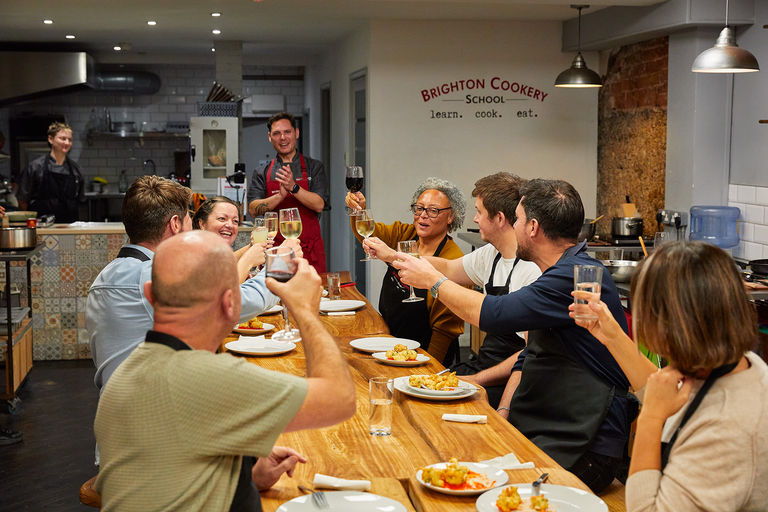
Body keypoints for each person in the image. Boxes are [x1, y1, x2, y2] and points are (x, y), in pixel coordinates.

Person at [394, 179, 634, 493]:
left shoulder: (573, 276)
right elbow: (534, 352)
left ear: (532, 227)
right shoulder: (563, 269)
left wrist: (435, 283)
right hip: (555, 427)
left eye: (517, 219)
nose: (513, 226)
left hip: (584, 444)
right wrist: (504, 409)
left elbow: (494, 314)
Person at [94, 230, 356, 511]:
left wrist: (242, 471)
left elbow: (162, 472)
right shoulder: (208, 379)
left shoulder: (125, 375)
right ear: (230, 302)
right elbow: (339, 398)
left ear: (150, 295)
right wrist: (304, 309)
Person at [570, 241, 768, 511]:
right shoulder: (737, 364)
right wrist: (611, 335)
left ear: (670, 326)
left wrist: (651, 418)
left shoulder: (725, 433)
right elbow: (667, 391)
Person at [87, 176, 278, 400]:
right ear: (175, 224)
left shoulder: (107, 275)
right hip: (155, 417)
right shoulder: (155, 274)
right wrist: (280, 265)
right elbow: (239, 302)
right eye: (189, 218)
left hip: (117, 411)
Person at [409, 172, 540, 407]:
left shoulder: (531, 271)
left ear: (499, 218)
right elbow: (448, 268)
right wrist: (394, 257)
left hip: (505, 382)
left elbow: (529, 356)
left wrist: (475, 380)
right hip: (482, 365)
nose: (476, 219)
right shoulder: (492, 254)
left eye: (479, 212)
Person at [345, 177, 466, 365]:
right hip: (391, 343)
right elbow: (369, 235)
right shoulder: (405, 235)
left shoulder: (452, 258)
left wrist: (429, 367)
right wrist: (358, 210)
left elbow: (446, 328)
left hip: (423, 354)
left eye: (433, 211)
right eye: (419, 208)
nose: (423, 215)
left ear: (451, 217)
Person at [246, 112, 328, 273]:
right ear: (270, 137)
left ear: (296, 133)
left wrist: (294, 188)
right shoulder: (261, 172)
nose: (282, 137)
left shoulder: (314, 167)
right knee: (275, 295)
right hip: (275, 250)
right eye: (276, 133)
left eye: (287, 132)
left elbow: (319, 204)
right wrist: (279, 196)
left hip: (310, 252)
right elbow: (253, 209)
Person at [193, 196, 271, 283]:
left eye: (235, 221)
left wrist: (251, 247)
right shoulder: (193, 256)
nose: (230, 225)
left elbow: (224, 263)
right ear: (202, 224)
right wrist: (248, 261)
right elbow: (221, 291)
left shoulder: (215, 255)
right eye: (222, 218)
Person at [17, 122, 84, 222]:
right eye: (62, 138)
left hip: (69, 227)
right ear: (50, 139)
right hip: (42, 227)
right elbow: (22, 200)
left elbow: (80, 200)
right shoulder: (35, 167)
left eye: (69, 140)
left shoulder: (76, 169)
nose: (67, 143)